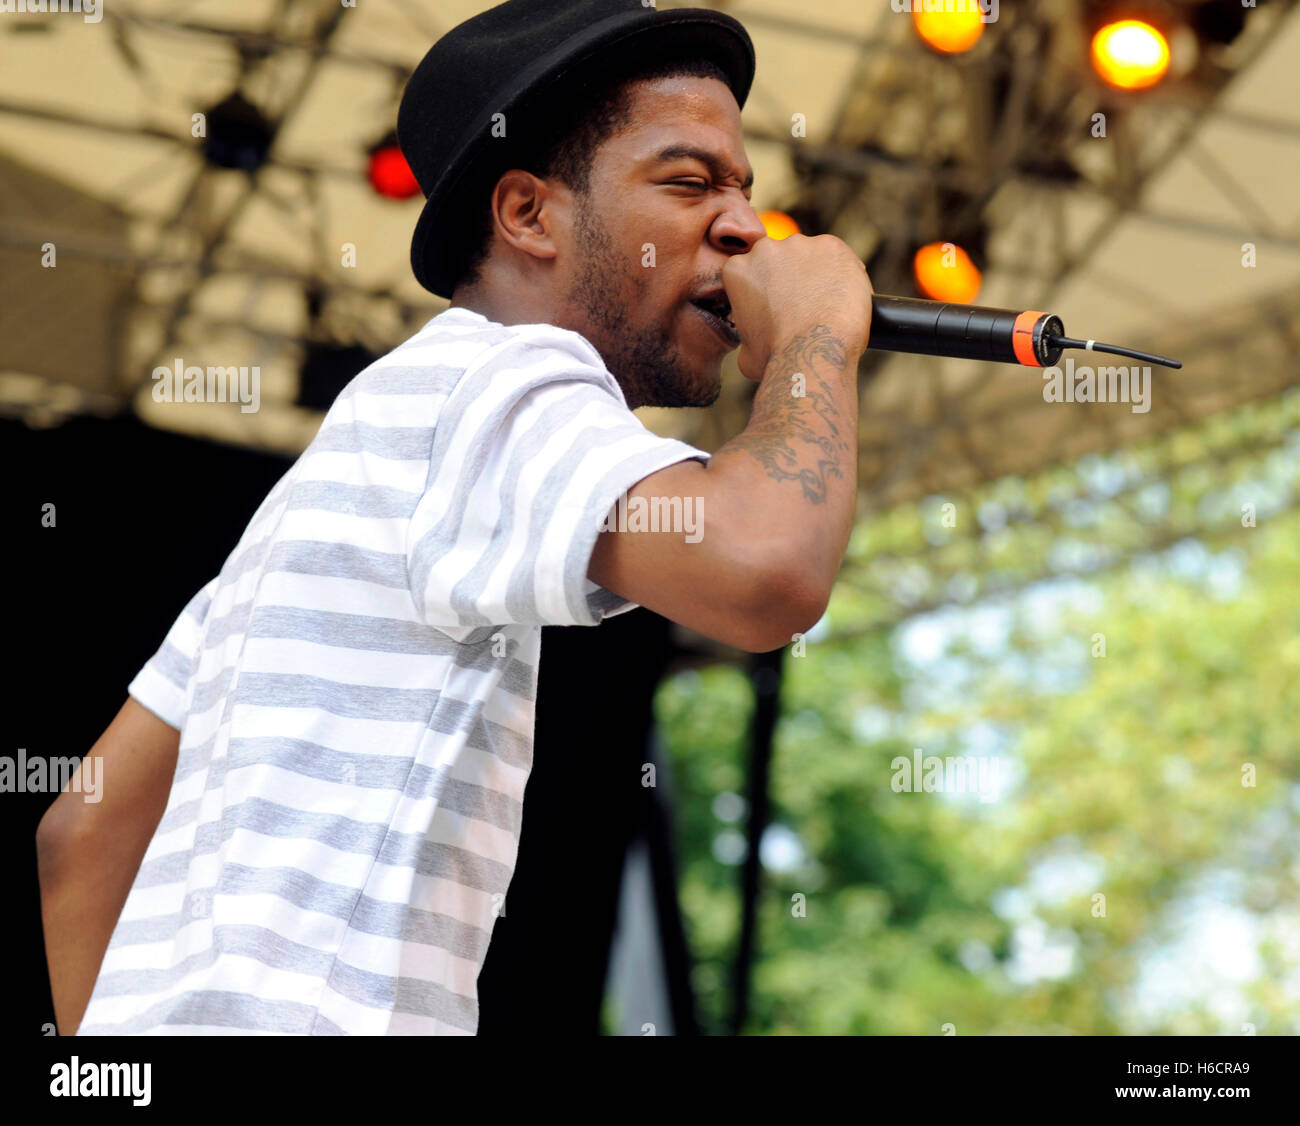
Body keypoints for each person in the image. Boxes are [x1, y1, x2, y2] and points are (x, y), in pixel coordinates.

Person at [36, 0, 873, 1035]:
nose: (747, 227)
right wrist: (817, 342)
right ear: (527, 213)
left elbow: (81, 829)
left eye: (745, 188)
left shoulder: (332, 487)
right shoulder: (498, 373)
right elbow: (765, 567)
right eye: (690, 181)